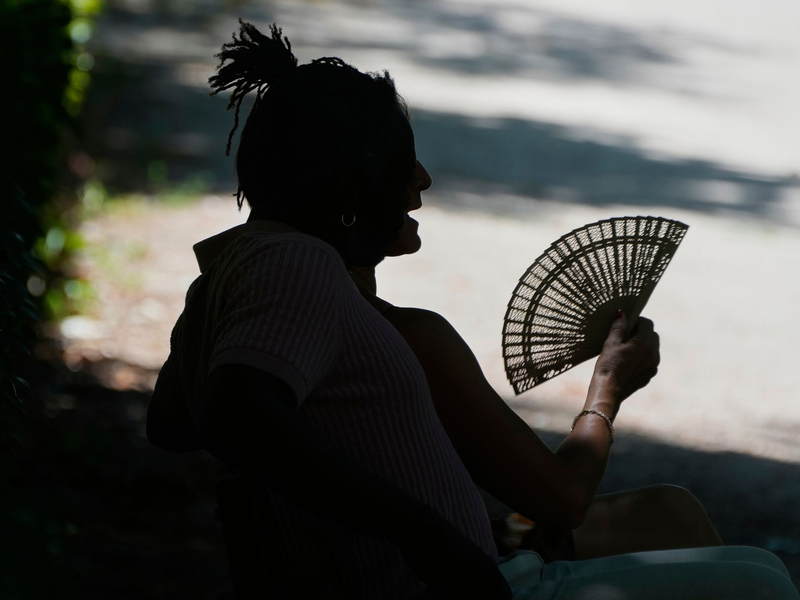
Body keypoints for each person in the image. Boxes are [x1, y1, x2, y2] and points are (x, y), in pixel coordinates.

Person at [146, 21, 799, 600]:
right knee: (760, 580)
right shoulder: (299, 265)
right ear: (348, 196)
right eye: (403, 165)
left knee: (671, 516)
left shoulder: (237, 280)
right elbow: (234, 415)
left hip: (456, 566)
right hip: (451, 582)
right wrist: (604, 391)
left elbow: (175, 421)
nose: (422, 180)